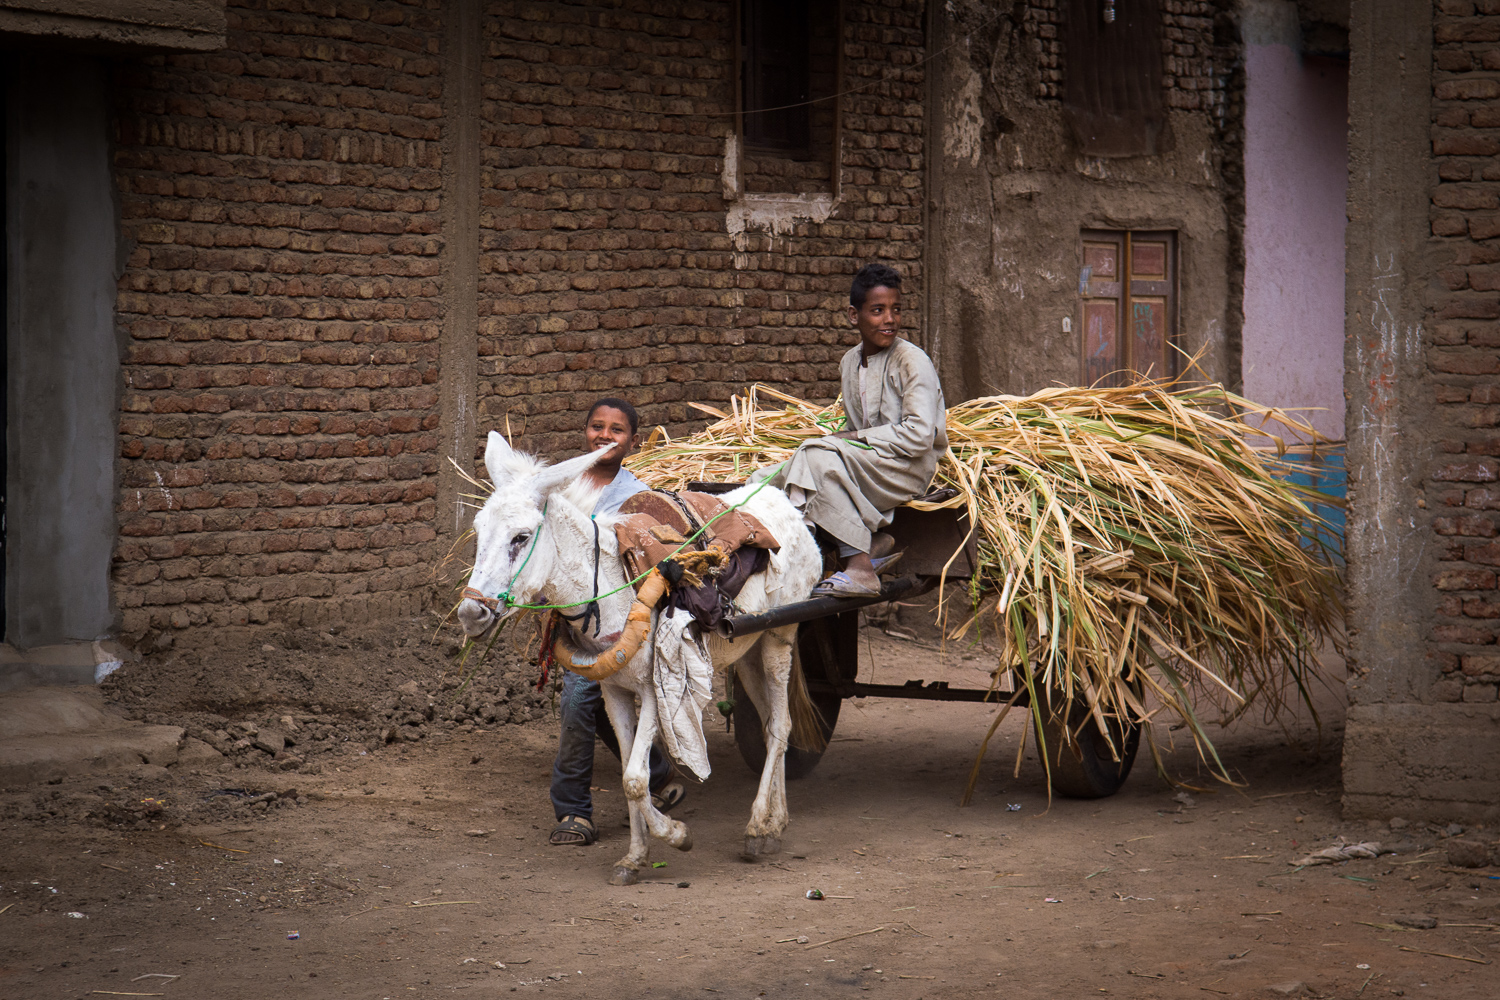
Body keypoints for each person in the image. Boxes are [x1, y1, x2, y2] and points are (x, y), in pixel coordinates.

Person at [763, 263, 948, 597]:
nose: (889, 319)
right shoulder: (850, 362)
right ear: (853, 315)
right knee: (768, 476)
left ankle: (860, 567)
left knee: (815, 458)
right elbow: (856, 427)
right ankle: (863, 540)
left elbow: (920, 435)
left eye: (895, 310)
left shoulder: (911, 360)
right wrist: (848, 441)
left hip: (906, 467)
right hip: (869, 463)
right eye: (878, 311)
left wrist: (851, 440)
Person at [548, 397, 683, 846]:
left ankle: (572, 811)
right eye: (596, 427)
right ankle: (659, 775)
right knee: (594, 704)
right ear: (584, 431)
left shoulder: (636, 495)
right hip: (571, 618)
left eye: (616, 430)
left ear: (633, 441)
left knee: (578, 701)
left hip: (612, 623)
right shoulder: (562, 483)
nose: (604, 436)